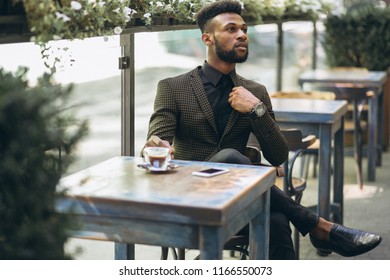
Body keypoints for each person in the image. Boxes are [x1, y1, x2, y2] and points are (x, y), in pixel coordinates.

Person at [143, 0, 382, 259]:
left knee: (277, 218)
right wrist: (156, 145)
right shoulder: (172, 87)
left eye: (243, 29)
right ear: (207, 38)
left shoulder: (255, 92)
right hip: (191, 200)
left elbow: (278, 156)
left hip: (237, 200)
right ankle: (318, 226)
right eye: (231, 29)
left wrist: (256, 108)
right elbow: (156, 140)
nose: (242, 34)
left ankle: (315, 231)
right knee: (231, 158)